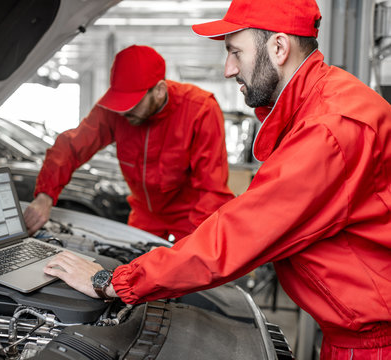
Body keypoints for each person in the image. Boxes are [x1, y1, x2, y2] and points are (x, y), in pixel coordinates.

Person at [42, 0, 391, 359]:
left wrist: (113, 282)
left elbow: (241, 231)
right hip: (353, 330)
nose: (228, 69)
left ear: (279, 47)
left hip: (373, 344)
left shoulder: (329, 127)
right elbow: (73, 144)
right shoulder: (323, 104)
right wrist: (43, 195)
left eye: (235, 52)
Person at [24, 45, 234, 241]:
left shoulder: (200, 110)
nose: (124, 111)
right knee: (133, 267)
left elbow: (211, 189)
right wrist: (45, 196)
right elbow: (71, 146)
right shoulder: (116, 110)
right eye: (120, 102)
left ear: (159, 90)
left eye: (132, 103)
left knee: (189, 273)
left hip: (190, 215)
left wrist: (198, 244)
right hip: (144, 214)